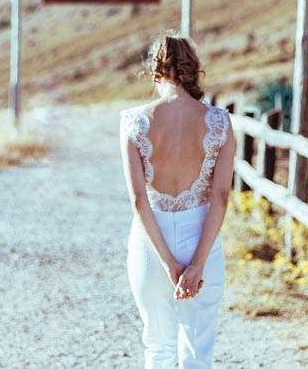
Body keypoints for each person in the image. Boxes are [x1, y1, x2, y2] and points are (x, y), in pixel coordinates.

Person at [120, 32, 236, 368]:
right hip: (200, 234)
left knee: (157, 345)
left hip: (149, 240)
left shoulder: (133, 121)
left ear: (156, 70)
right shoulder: (218, 121)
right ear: (192, 68)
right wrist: (196, 263)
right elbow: (221, 196)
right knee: (198, 350)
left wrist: (169, 263)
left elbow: (139, 200)